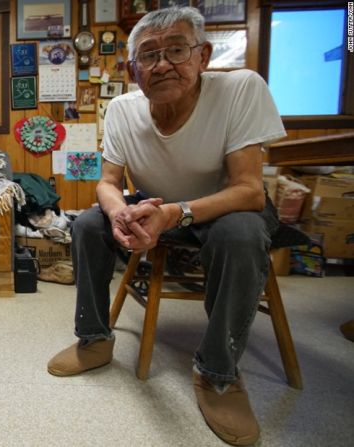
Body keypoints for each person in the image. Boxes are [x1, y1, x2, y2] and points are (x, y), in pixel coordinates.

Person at [46, 7, 285, 446]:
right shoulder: (122, 109)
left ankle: (218, 373)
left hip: (224, 208)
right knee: (87, 224)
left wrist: (175, 213)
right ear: (134, 70)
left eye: (176, 49)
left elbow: (250, 190)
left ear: (203, 56)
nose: (162, 64)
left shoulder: (240, 89)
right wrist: (120, 211)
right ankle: (95, 338)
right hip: (156, 205)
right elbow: (108, 182)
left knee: (242, 234)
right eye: (149, 56)